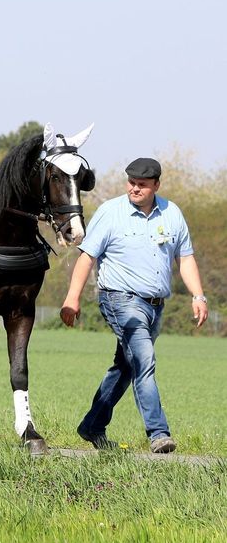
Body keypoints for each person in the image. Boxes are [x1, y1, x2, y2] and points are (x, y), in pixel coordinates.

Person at [60, 157, 208, 454]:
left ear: (156, 185)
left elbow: (186, 257)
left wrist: (198, 295)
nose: (135, 188)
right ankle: (158, 432)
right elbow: (86, 257)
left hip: (155, 305)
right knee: (144, 359)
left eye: (142, 184)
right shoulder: (111, 212)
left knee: (126, 367)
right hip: (119, 299)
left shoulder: (172, 213)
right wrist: (72, 299)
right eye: (131, 183)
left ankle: (92, 425)